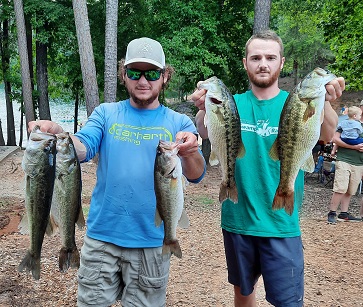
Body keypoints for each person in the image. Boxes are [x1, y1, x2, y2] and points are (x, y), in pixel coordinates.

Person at [28, 37, 206, 307]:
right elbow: (82, 148)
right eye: (135, 72)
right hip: (102, 239)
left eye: (152, 73)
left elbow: (196, 174)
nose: (143, 81)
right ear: (124, 74)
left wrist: (191, 151)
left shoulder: (179, 121)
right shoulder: (106, 114)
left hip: (151, 242)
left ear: (165, 76)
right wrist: (59, 135)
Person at [192, 29, 345, 306]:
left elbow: (326, 133)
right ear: (245, 62)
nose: (263, 63)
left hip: (281, 224)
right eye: (256, 57)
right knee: (244, 293)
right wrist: (203, 107)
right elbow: (204, 131)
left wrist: (330, 102)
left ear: (281, 62)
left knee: (288, 302)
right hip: (238, 220)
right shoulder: (231, 103)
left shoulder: (297, 102)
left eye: (270, 57)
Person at [327, 121, 363, 224]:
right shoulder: (349, 123)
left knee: (351, 189)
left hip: (359, 163)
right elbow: (335, 139)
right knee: (340, 187)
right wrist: (353, 147)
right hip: (345, 159)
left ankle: (344, 213)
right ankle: (332, 212)